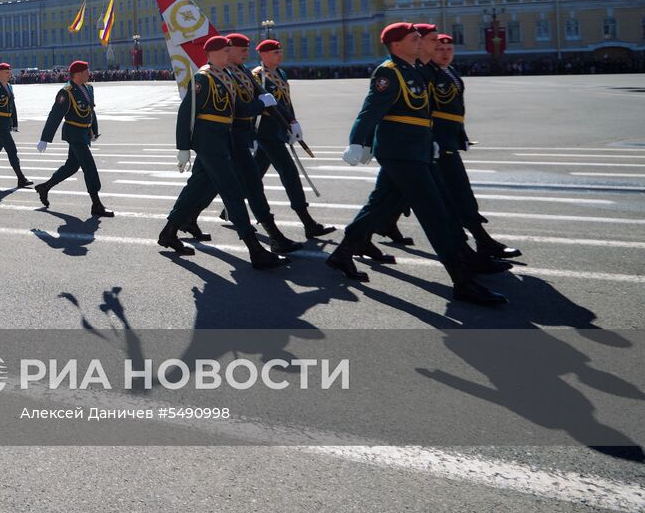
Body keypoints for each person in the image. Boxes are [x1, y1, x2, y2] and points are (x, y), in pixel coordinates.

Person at [328, 23, 508, 306]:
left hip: (417, 150)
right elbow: (370, 110)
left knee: (383, 203)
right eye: (415, 39)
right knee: (436, 214)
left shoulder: (413, 70)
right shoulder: (389, 72)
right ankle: (462, 281)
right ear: (398, 44)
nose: (424, 44)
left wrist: (430, 140)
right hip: (400, 152)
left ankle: (343, 252)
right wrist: (357, 142)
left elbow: (423, 112)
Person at [159, 36, 286, 268]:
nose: (231, 55)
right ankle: (254, 250)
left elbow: (239, 110)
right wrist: (183, 148)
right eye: (227, 51)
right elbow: (186, 112)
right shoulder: (203, 77)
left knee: (195, 188)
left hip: (223, 140)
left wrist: (261, 104)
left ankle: (168, 232)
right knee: (232, 192)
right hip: (208, 143)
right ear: (214, 53)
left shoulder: (226, 76)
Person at [427, 34, 523, 260]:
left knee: (392, 194)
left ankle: (367, 234)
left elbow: (454, 108)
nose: (446, 52)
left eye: (449, 48)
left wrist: (461, 135)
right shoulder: (428, 73)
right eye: (440, 48)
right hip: (437, 143)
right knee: (459, 191)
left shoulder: (449, 71)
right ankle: (481, 240)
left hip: (448, 138)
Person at [251, 39, 335, 240]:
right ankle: (308, 222)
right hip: (266, 132)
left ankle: (229, 209)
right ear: (263, 55)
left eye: (280, 52)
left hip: (279, 130)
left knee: (253, 175)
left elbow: (286, 103)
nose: (280, 55)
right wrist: (290, 121)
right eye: (275, 53)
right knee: (290, 173)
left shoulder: (280, 73)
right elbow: (271, 106)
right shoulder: (257, 76)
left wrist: (292, 123)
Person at [34, 60, 112, 218]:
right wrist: (45, 138)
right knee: (89, 167)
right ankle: (96, 204)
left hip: (84, 134)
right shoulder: (66, 92)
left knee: (71, 167)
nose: (89, 74)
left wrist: (94, 131)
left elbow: (91, 111)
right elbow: (55, 115)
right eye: (86, 71)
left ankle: (45, 187)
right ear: (78, 74)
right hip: (74, 135)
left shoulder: (88, 88)